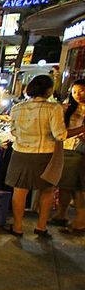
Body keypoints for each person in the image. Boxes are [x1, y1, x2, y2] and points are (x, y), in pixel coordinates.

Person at [4, 75, 85, 238]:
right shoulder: (53, 108)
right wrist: (82, 128)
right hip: (46, 154)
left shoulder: (17, 108)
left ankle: (18, 227)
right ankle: (41, 227)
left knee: (19, 191)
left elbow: (13, 132)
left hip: (20, 154)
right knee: (47, 190)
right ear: (48, 90)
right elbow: (60, 135)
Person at [51, 79, 85, 234]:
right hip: (66, 149)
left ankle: (80, 220)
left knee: (78, 187)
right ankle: (61, 214)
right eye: (75, 91)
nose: (78, 95)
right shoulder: (68, 108)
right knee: (64, 184)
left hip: (81, 152)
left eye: (82, 90)